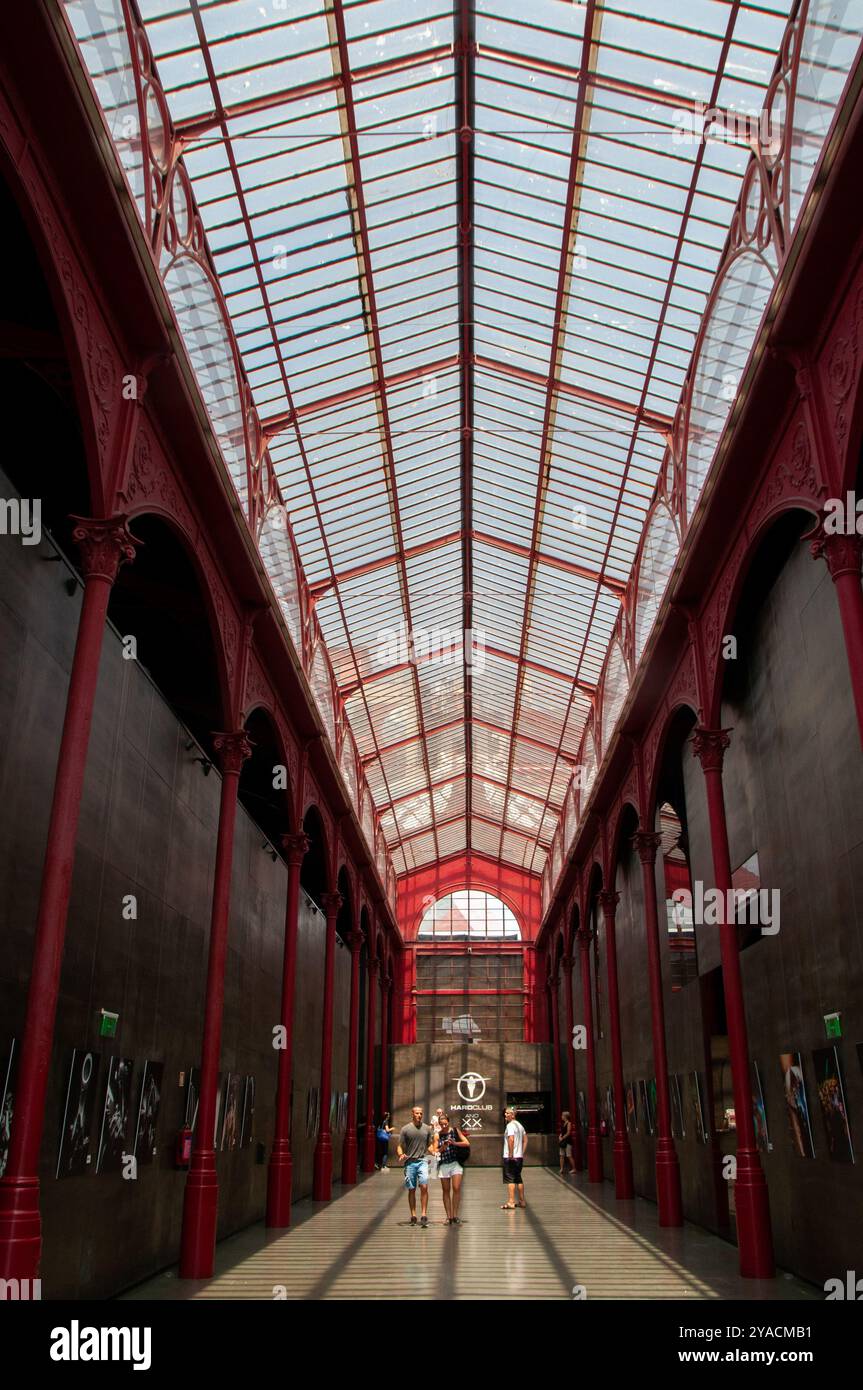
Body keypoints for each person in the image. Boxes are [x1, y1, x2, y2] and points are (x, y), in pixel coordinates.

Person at [397, 1105, 434, 1226]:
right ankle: (413, 1215)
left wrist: (434, 1151)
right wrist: (401, 1154)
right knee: (411, 1189)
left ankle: (423, 1214)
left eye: (421, 1113)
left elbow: (429, 1145)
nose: (419, 1115)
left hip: (422, 1160)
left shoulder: (427, 1129)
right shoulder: (405, 1129)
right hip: (410, 1162)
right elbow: (399, 1145)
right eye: (417, 1113)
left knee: (424, 1187)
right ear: (412, 1114)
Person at [435, 1112, 470, 1224]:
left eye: (445, 1124)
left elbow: (466, 1143)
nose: (444, 1126)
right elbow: (435, 1151)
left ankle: (455, 1215)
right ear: (439, 1124)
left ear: (448, 1122)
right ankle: (448, 1216)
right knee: (446, 1190)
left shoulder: (455, 1130)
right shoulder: (437, 1135)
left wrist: (454, 1143)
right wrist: (443, 1147)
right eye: (441, 1124)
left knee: (456, 1188)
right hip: (444, 1164)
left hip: (455, 1163)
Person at [501, 1105, 527, 1210]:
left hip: (510, 1157)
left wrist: (511, 1154)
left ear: (513, 1115)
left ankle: (511, 1201)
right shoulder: (520, 1126)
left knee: (510, 1179)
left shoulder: (510, 1125)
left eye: (508, 1113)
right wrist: (521, 1152)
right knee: (518, 1178)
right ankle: (522, 1201)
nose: (505, 1115)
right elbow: (526, 1140)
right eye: (505, 1113)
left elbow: (511, 1139)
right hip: (519, 1157)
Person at [558, 1110, 575, 1176]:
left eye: (562, 1115)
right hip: (562, 1141)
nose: (561, 1116)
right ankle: (561, 1168)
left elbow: (568, 1132)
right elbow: (562, 1132)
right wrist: (560, 1136)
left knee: (569, 1155)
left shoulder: (569, 1123)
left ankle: (574, 1168)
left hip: (568, 1142)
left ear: (565, 1116)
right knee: (561, 1155)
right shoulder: (563, 1123)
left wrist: (562, 1138)